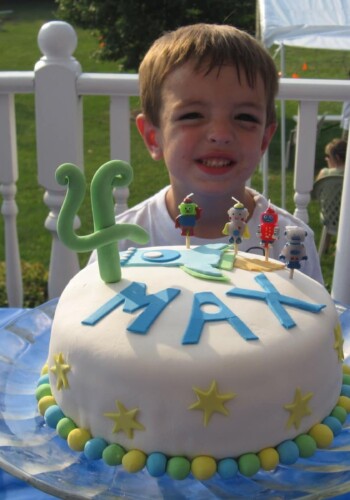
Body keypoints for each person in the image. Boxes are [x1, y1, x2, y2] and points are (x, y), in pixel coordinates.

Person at [90, 23, 323, 283]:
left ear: (264, 140)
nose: (220, 133)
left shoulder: (290, 240)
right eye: (192, 115)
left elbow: (317, 318)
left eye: (245, 117)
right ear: (154, 137)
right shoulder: (120, 243)